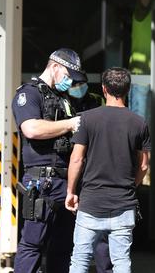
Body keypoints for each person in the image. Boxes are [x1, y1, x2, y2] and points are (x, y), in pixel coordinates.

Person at [66, 67, 151, 273]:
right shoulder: (139, 123)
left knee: (80, 260)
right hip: (123, 204)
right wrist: (132, 186)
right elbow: (143, 165)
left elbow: (77, 159)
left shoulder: (87, 119)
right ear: (128, 90)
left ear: (103, 89)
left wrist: (70, 191)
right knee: (121, 262)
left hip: (91, 202)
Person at [11, 48, 84, 273]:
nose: (70, 82)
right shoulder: (29, 94)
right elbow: (31, 128)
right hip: (42, 182)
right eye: (68, 76)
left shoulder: (63, 98)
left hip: (66, 183)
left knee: (63, 247)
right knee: (33, 244)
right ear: (55, 67)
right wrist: (71, 124)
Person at [68, 78, 112, 273]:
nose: (78, 89)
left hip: (92, 170)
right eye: (74, 85)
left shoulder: (95, 101)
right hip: (71, 168)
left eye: (81, 84)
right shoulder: (64, 101)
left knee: (100, 234)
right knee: (70, 232)